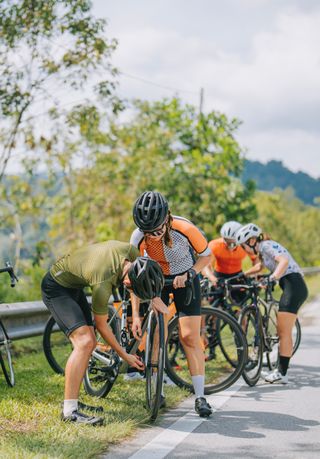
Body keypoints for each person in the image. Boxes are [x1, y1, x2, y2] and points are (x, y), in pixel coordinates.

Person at [41, 241, 164, 425]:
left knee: (88, 344)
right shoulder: (103, 281)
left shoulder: (131, 252)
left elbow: (141, 276)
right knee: (84, 343)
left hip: (75, 285)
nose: (132, 291)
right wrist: (125, 356)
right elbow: (102, 325)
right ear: (128, 282)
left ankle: (72, 399)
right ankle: (69, 412)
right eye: (132, 289)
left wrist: (136, 316)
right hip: (56, 287)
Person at [130, 191, 213, 417]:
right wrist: (137, 313)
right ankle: (158, 389)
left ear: (167, 218)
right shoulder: (137, 237)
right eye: (148, 233)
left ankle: (200, 397)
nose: (153, 237)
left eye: (157, 231)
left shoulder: (185, 228)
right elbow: (135, 276)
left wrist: (190, 274)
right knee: (158, 335)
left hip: (185, 278)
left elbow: (207, 256)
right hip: (155, 280)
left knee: (189, 337)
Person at [236, 223, 308, 384]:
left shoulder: (266, 245)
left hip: (293, 285)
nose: (244, 250)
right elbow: (259, 267)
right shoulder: (263, 251)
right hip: (290, 285)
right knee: (283, 331)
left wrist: (272, 278)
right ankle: (280, 371)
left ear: (252, 240)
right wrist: (240, 275)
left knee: (284, 333)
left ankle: (282, 373)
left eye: (243, 246)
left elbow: (283, 261)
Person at [202, 221, 257, 303]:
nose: (229, 246)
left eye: (233, 243)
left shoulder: (245, 245)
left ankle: (240, 314)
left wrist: (254, 275)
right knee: (215, 305)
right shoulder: (214, 245)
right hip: (219, 275)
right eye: (226, 242)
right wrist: (212, 278)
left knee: (242, 305)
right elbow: (206, 266)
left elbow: (256, 259)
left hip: (237, 276)